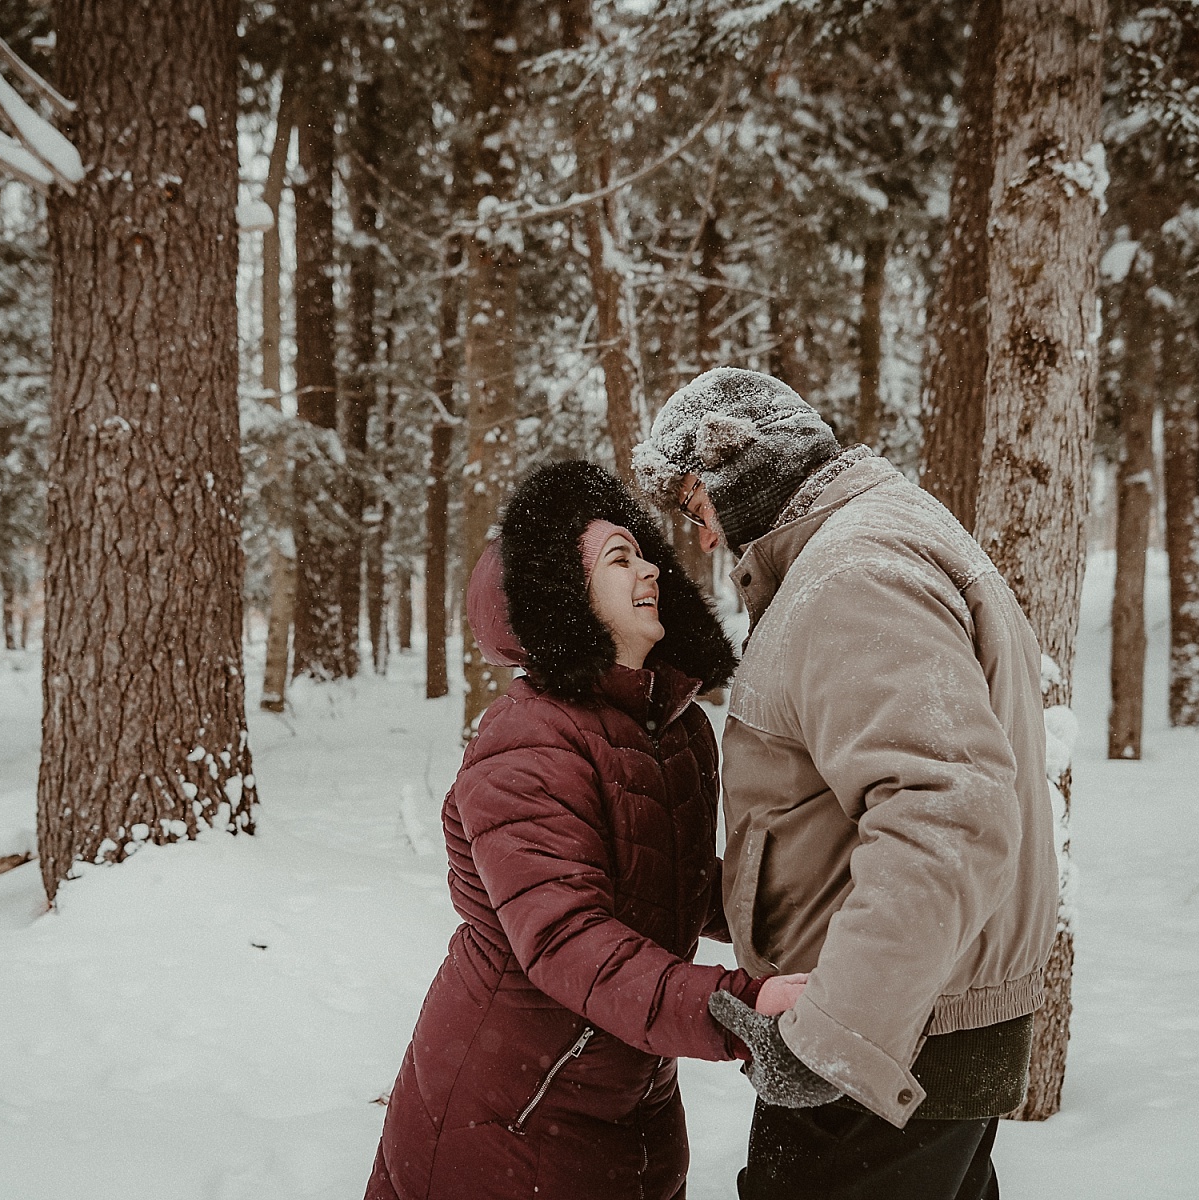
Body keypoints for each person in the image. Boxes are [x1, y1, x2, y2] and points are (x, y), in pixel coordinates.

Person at [631, 368, 1060, 1200]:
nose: (707, 541)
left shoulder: (851, 574)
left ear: (737, 470)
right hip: (912, 1011)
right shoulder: (863, 545)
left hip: (884, 1036)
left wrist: (832, 1038)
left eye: (696, 507)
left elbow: (947, 810)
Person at [365, 459, 806, 1200]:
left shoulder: (678, 728)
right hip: (507, 1109)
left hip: (630, 1096)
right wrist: (737, 1008)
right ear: (566, 597)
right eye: (618, 558)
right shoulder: (527, 739)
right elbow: (567, 939)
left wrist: (815, 901)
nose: (651, 571)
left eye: (645, 552)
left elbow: (682, 888)